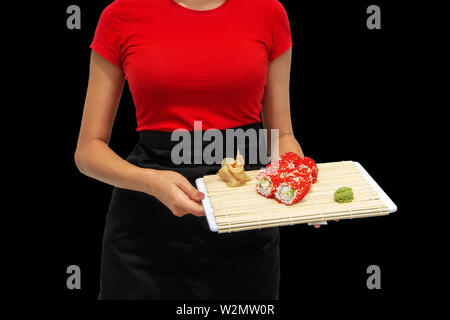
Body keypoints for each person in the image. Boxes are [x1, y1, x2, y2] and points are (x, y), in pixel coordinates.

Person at [75, 0, 319, 299]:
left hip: (245, 231)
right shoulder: (120, 15)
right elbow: (88, 150)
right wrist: (150, 182)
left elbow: (281, 136)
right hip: (143, 237)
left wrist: (297, 181)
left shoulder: (268, 12)